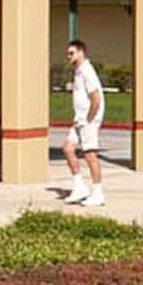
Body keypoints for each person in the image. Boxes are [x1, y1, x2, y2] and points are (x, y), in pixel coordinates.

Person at [63, 39, 105, 206]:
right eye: (68, 53)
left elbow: (96, 97)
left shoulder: (87, 71)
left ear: (81, 53)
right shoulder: (79, 71)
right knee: (68, 148)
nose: (69, 56)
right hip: (79, 120)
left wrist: (89, 118)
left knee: (90, 156)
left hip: (88, 121)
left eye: (71, 53)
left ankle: (97, 193)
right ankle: (79, 187)